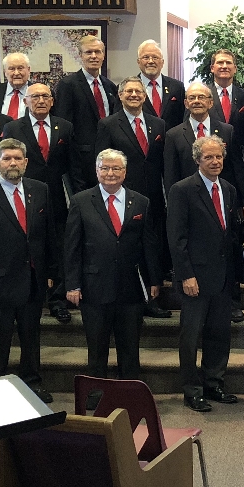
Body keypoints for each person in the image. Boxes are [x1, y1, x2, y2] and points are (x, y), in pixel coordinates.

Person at [0, 138, 54, 402]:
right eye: (7, 158)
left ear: (26, 162)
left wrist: (50, 273)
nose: (12, 163)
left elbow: (48, 235)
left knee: (31, 338)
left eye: (17, 158)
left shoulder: (40, 190)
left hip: (32, 281)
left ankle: (32, 383)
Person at [64, 149, 161, 385]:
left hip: (131, 289)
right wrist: (72, 284)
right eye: (105, 168)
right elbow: (72, 246)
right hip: (94, 288)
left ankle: (129, 395)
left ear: (124, 172)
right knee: (97, 350)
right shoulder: (80, 201)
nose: (110, 173)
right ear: (96, 171)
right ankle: (97, 395)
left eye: (116, 168)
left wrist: (154, 280)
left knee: (130, 350)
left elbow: (149, 244)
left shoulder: (141, 202)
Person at [164, 81, 244, 323]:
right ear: (185, 103)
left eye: (202, 97)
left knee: (228, 246)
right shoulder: (174, 134)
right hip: (189, 205)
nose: (197, 101)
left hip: (222, 199)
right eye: (192, 98)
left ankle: (231, 300)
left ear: (211, 102)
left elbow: (237, 166)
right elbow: (170, 173)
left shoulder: (227, 130)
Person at [167, 135, 241, 412]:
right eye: (209, 157)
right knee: (190, 337)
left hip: (223, 277)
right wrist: (186, 275)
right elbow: (177, 238)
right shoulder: (182, 190)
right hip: (194, 278)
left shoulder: (229, 189)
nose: (215, 161)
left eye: (219, 156)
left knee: (219, 334)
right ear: (197, 159)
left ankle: (214, 383)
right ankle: (192, 390)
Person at [1, 82, 83, 324]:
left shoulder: (64, 127)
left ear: (52, 101)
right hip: (24, 197)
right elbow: (6, 165)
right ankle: (30, 297)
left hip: (56, 197)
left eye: (45, 96)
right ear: (25, 101)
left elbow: (74, 165)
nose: (40, 101)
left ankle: (58, 301)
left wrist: (79, 197)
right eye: (35, 96)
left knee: (57, 248)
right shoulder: (13, 127)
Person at [94, 76, 170, 319]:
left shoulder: (158, 124)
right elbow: (102, 163)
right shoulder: (108, 124)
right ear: (120, 95)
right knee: (129, 247)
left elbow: (161, 163)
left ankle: (152, 298)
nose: (134, 95)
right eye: (129, 92)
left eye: (138, 91)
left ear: (145, 96)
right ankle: (131, 298)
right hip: (122, 198)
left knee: (152, 246)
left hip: (153, 197)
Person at [51, 35, 118, 189]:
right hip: (81, 161)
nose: (93, 56)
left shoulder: (109, 86)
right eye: (88, 52)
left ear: (103, 55)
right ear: (80, 55)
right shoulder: (68, 85)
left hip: (108, 156)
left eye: (97, 52)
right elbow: (64, 125)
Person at [207, 49, 244, 188]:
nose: (224, 66)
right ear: (212, 68)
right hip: (210, 163)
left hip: (238, 166)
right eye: (220, 62)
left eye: (228, 63)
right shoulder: (202, 95)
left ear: (235, 68)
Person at [136, 39, 186, 132]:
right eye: (146, 57)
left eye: (155, 57)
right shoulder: (128, 89)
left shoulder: (177, 87)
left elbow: (184, 118)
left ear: (162, 62)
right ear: (138, 62)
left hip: (171, 139)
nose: (151, 61)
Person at [0, 52, 32, 120]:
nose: (16, 73)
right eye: (12, 69)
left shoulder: (39, 93)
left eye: (20, 68)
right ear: (5, 72)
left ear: (28, 70)